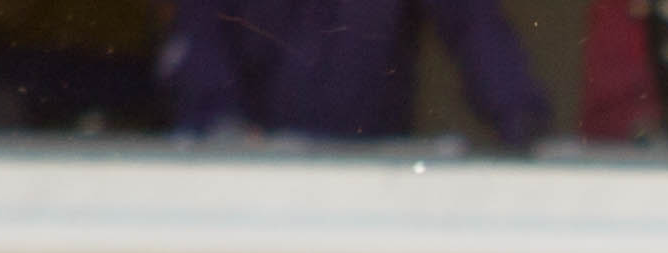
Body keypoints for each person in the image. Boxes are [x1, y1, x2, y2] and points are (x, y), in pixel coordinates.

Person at [165, 0, 549, 146]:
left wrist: (516, 113)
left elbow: (472, 24)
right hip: (251, 181)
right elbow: (199, 37)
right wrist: (217, 122)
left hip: (366, 179)